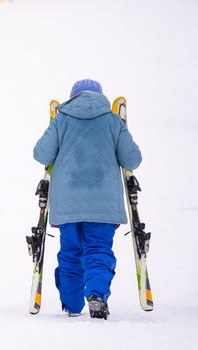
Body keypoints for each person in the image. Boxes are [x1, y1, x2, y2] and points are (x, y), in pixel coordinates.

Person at [33, 79, 142, 319]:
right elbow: (132, 160)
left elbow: (41, 154)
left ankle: (72, 305)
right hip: (104, 204)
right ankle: (96, 294)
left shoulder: (62, 118)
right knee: (98, 250)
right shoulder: (113, 120)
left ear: (73, 97)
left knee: (70, 252)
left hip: (67, 202)